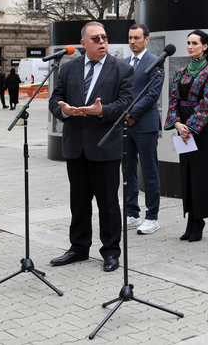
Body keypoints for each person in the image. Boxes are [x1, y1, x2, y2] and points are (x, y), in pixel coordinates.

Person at [48, 22, 134, 272]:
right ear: (83, 43)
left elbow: (126, 103)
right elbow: (55, 99)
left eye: (104, 38)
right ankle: (78, 248)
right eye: (95, 39)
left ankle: (110, 252)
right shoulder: (68, 68)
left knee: (108, 203)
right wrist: (62, 110)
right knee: (79, 202)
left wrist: (102, 110)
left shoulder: (121, 69)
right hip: (75, 145)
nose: (102, 42)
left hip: (104, 146)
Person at [164, 30, 208, 243]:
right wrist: (177, 124)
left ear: (204, 46)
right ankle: (190, 219)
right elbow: (174, 99)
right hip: (182, 129)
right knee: (186, 174)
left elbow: (207, 104)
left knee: (200, 176)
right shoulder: (181, 72)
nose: (190, 46)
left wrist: (190, 127)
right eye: (188, 42)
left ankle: (199, 221)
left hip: (200, 130)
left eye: (194, 43)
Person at [123, 23, 164, 236]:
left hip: (144, 124)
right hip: (125, 126)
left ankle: (152, 216)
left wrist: (132, 114)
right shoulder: (123, 63)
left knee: (149, 170)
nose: (132, 42)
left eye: (137, 38)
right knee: (127, 170)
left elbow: (152, 95)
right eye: (130, 37)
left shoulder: (155, 62)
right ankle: (132, 213)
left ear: (146, 39)